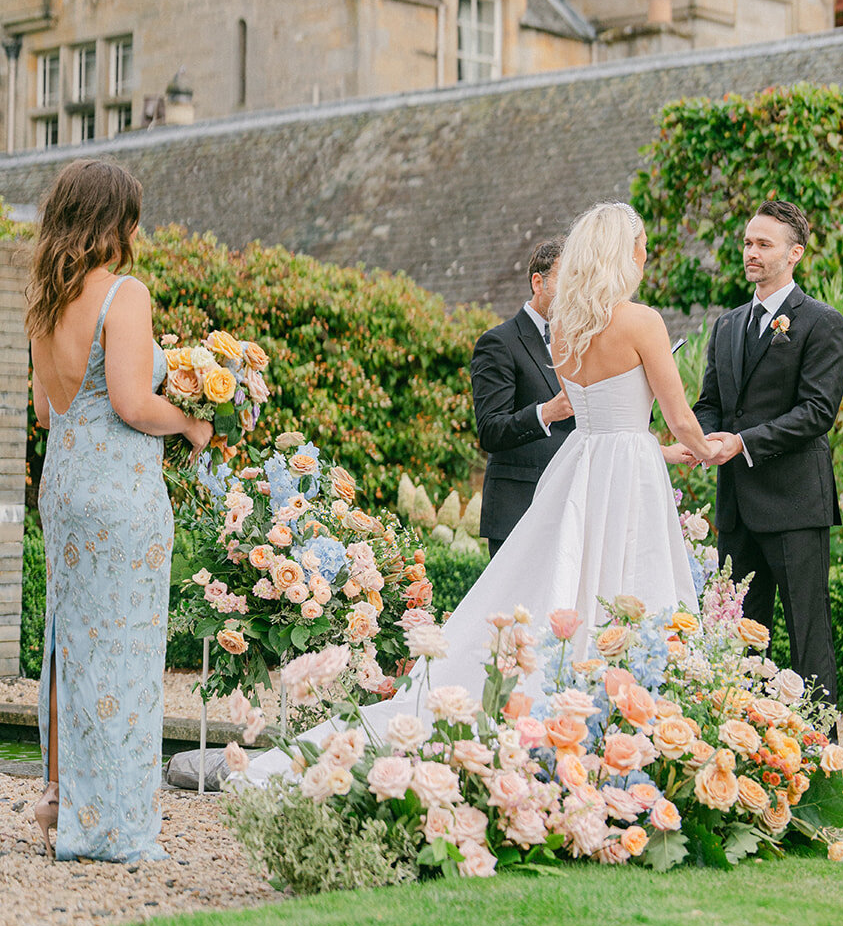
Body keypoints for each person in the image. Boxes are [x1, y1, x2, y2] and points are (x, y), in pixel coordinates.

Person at [245, 201, 718, 781]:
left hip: (582, 465)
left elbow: (601, 420)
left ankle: (565, 705)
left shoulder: (567, 330)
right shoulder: (643, 322)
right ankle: (631, 719)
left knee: (567, 585)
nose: (646, 260)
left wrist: (657, 446)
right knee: (627, 581)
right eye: (642, 249)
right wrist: (709, 446)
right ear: (624, 254)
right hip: (627, 472)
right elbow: (678, 419)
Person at [27, 158, 213, 860]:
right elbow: (135, 405)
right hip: (119, 494)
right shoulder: (123, 294)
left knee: (72, 643)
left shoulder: (44, 303)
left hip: (66, 486)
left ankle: (62, 798)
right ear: (115, 222)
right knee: (126, 651)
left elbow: (48, 413)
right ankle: (112, 821)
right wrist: (195, 423)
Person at [694, 201, 843, 705]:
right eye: (747, 243)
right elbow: (711, 403)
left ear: (795, 253)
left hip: (795, 502)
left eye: (764, 244)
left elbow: (816, 412)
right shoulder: (728, 325)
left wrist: (744, 443)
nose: (751, 252)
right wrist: (707, 438)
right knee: (740, 635)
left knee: (808, 631)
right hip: (737, 504)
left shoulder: (821, 322)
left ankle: (820, 749)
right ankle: (748, 741)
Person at [471, 240, 575, 557]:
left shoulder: (581, 343)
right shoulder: (498, 343)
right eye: (564, 279)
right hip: (518, 510)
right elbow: (490, 429)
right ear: (538, 282)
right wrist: (547, 412)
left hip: (570, 510)